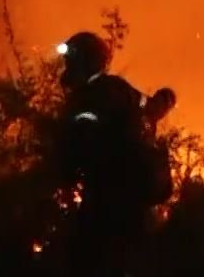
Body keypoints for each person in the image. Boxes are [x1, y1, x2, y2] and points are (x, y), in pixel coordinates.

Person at [56, 32, 174, 277]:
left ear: (83, 63)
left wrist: (64, 180)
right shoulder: (121, 90)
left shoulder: (87, 101)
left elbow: (74, 150)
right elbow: (150, 108)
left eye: (71, 61)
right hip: (136, 208)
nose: (67, 68)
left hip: (104, 205)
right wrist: (166, 99)